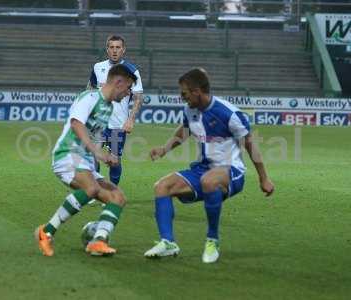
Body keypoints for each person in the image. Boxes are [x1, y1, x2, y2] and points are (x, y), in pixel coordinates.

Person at [144, 68, 274, 263]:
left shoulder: (227, 113)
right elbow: (185, 131)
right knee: (162, 187)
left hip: (232, 171)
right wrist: (164, 149)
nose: (182, 98)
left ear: (197, 91)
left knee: (209, 181)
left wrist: (263, 178)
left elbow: (249, 144)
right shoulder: (190, 110)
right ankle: (168, 243)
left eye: (184, 93)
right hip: (202, 169)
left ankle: (212, 241)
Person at [35, 64, 137, 257]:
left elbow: (94, 135)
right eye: (128, 88)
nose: (128, 94)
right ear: (118, 82)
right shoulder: (89, 97)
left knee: (118, 197)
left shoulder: (108, 106)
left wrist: (108, 155)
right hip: (68, 154)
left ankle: (98, 241)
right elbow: (76, 124)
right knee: (91, 189)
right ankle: (46, 232)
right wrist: (96, 152)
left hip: (85, 160)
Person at [87, 35, 143, 185]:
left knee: (114, 161)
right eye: (111, 47)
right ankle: (97, 189)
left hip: (118, 125)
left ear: (123, 50)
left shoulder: (132, 71)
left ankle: (112, 191)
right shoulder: (98, 67)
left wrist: (131, 120)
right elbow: (90, 89)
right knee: (93, 157)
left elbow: (138, 97)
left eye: (118, 47)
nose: (114, 51)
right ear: (107, 49)